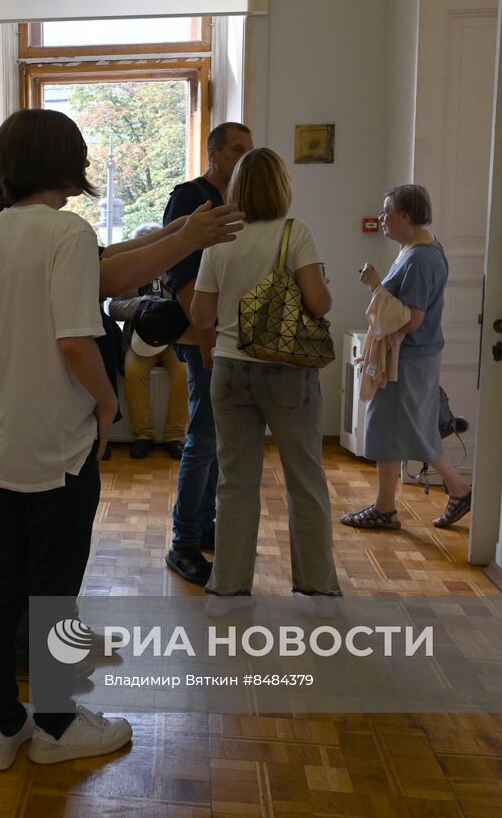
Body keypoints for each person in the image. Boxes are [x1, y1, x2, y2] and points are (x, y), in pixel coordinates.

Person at [0, 108, 131, 772]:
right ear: (67, 164)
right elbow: (73, 338)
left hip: (1, 439)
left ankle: (2, 726)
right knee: (55, 589)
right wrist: (106, 399)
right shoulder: (67, 233)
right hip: (59, 447)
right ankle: (59, 725)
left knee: (1, 580)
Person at [188, 148, 342, 601]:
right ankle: (315, 583)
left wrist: (218, 340)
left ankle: (230, 581)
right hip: (287, 371)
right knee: (305, 480)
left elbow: (200, 313)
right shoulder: (296, 233)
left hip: (230, 369)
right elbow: (319, 304)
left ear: (237, 190)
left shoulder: (219, 241)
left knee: (234, 481)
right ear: (282, 188)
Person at [342, 184, 473, 530]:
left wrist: (374, 286)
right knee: (411, 428)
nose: (382, 218)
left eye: (388, 212)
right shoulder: (419, 250)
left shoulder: (419, 258)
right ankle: (450, 492)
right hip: (415, 356)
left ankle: (390, 508)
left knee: (395, 428)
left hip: (408, 358)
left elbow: (412, 320)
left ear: (406, 216)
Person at [160, 121, 254, 585]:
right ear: (212, 152)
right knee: (201, 438)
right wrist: (207, 335)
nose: (243, 158)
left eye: (249, 150)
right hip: (204, 339)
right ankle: (183, 543)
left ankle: (203, 524)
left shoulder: (239, 206)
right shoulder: (190, 196)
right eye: (237, 149)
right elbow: (180, 274)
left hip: (230, 337)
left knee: (215, 438)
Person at [107, 222, 188, 460]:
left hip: (173, 340)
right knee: (132, 372)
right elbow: (113, 308)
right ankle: (142, 435)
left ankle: (174, 436)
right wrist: (143, 304)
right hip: (139, 339)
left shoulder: (176, 269)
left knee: (184, 372)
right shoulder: (129, 272)